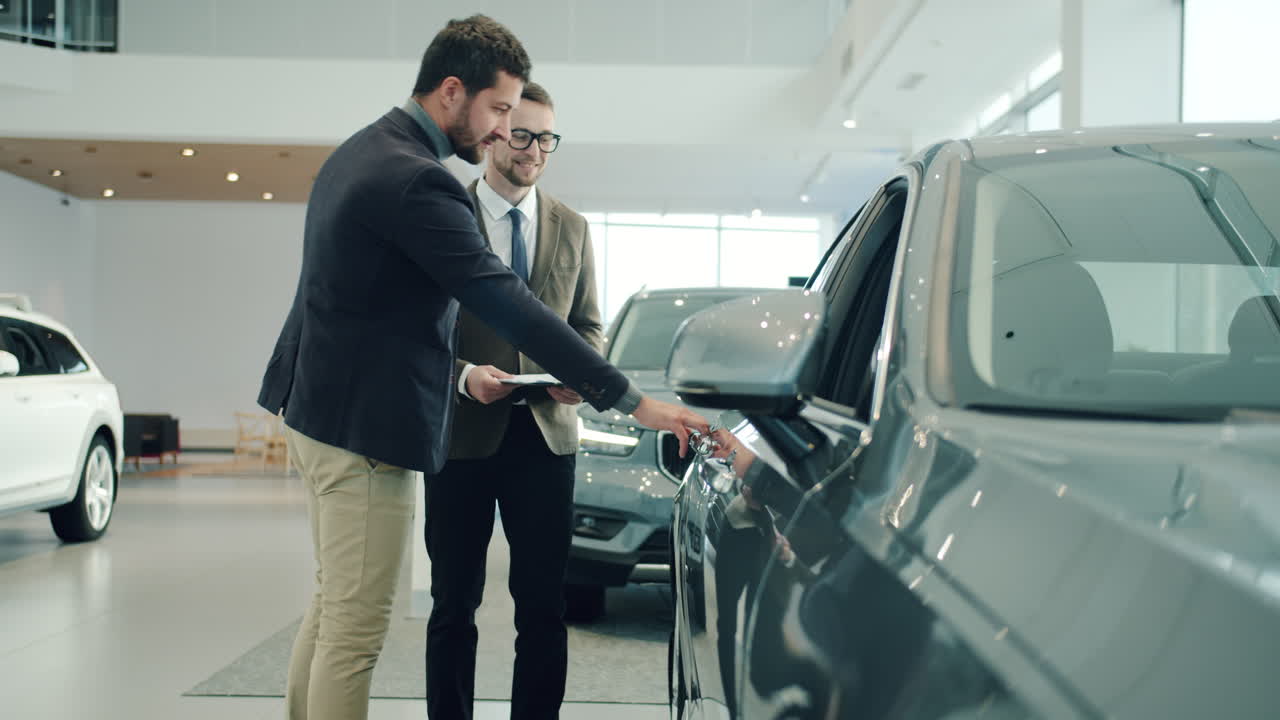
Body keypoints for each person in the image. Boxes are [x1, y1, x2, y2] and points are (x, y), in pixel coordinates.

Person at [256, 15, 708, 720]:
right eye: (499, 110)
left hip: (318, 410)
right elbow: (504, 301)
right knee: (355, 631)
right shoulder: (421, 182)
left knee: (331, 607)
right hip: (365, 428)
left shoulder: (361, 150)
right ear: (450, 91)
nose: (504, 131)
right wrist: (632, 401)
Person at [423, 81, 594, 719]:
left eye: (547, 138)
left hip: (547, 438)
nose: (535, 150)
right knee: (452, 605)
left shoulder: (572, 226)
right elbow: (417, 334)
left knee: (544, 607)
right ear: (495, 134)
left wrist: (581, 373)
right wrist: (465, 374)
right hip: (462, 434)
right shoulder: (444, 217)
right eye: (523, 134)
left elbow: (589, 325)